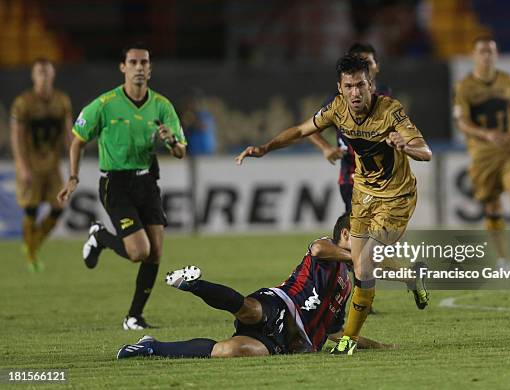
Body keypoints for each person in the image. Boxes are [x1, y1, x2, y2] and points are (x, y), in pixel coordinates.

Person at [235, 54, 432, 355]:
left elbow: (426, 151)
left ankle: (348, 341)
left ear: (370, 85)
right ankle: (409, 277)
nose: (356, 93)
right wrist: (266, 148)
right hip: (363, 194)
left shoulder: (390, 111)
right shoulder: (337, 110)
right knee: (359, 259)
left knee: (363, 260)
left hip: (396, 198)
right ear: (340, 88)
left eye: (361, 86)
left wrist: (406, 146)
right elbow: (302, 130)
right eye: (349, 86)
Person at [116, 213, 391, 359]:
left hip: (285, 342)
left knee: (228, 351)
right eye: (361, 237)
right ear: (345, 233)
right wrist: (358, 257)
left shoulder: (346, 284)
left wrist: (378, 346)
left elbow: (336, 331)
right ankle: (193, 285)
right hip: (281, 305)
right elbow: (318, 249)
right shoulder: (329, 247)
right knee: (249, 310)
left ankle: (152, 347)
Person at [57, 43, 187, 330]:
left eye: (144, 62)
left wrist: (171, 141)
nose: (139, 67)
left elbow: (181, 152)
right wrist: (73, 177)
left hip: (147, 180)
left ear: (150, 69)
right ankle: (100, 236)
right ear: (123, 67)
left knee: (155, 252)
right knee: (139, 252)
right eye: (134, 62)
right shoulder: (104, 105)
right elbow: (77, 140)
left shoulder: (162, 106)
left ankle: (133, 317)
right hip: (115, 183)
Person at [453, 36, 510, 271]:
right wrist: (487, 135)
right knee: (492, 207)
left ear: (496, 55)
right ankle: (503, 259)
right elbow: (462, 123)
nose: (487, 56)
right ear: (474, 55)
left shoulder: (506, 80)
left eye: (491, 51)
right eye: (482, 51)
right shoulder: (464, 87)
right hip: (483, 155)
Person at [308, 43, 391, 212]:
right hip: (352, 176)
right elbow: (310, 129)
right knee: (363, 232)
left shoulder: (385, 93)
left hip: (384, 176)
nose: (364, 67)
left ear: (377, 66)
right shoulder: (337, 101)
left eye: (368, 62)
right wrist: (326, 148)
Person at [10, 58, 73, 272]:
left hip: (52, 165)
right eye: (40, 73)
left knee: (59, 207)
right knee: (31, 209)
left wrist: (74, 162)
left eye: (47, 72)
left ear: (53, 75)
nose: (44, 77)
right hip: (31, 165)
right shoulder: (23, 103)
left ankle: (32, 244)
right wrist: (22, 166)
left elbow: (68, 134)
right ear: (33, 76)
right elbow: (16, 137)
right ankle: (31, 255)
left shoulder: (62, 101)